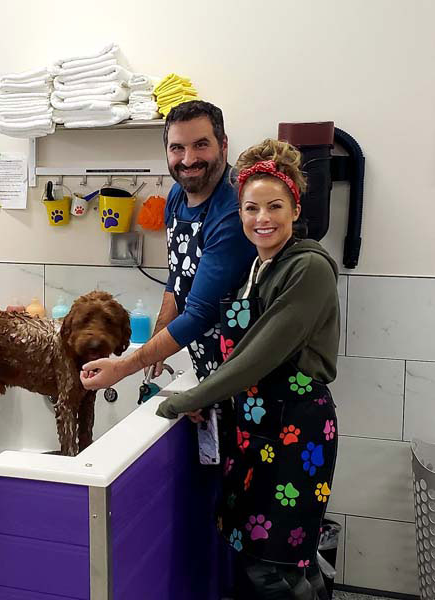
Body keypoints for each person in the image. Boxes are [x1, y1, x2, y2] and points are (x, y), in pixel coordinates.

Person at [157, 139, 340, 600]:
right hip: (255, 428)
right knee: (278, 558)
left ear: (295, 210)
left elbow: (261, 353)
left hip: (295, 427)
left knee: (274, 567)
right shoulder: (256, 269)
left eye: (275, 206)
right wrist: (215, 395)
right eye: (251, 207)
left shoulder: (309, 267)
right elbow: (236, 353)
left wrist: (192, 398)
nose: (262, 218)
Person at [81, 100, 256, 465]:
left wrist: (124, 367)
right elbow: (178, 278)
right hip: (209, 370)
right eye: (177, 148)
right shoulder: (177, 195)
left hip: (246, 375)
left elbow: (200, 313)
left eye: (201, 145)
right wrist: (159, 342)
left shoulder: (235, 208)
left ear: (224, 145)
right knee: (217, 488)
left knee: (248, 487)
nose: (188, 158)